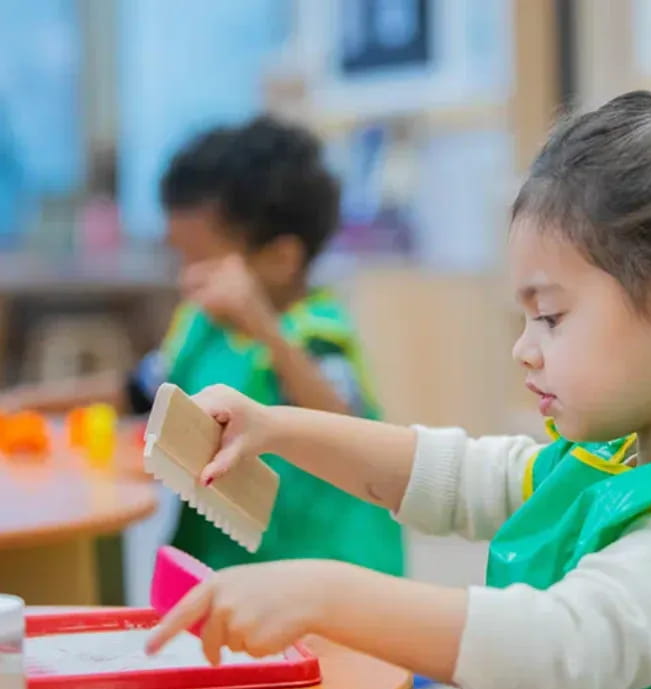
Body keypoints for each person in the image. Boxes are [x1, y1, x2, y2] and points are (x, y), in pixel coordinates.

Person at [146, 92, 651, 689]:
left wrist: (321, 592)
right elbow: (454, 474)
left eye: (551, 318)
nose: (525, 352)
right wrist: (277, 428)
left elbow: (564, 647)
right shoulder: (613, 457)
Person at [1, 117, 403, 576]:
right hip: (226, 563)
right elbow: (140, 389)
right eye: (180, 256)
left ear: (281, 259)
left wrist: (263, 326)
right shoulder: (202, 324)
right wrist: (19, 402)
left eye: (201, 260)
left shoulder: (318, 333)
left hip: (325, 570)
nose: (185, 277)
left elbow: (342, 426)